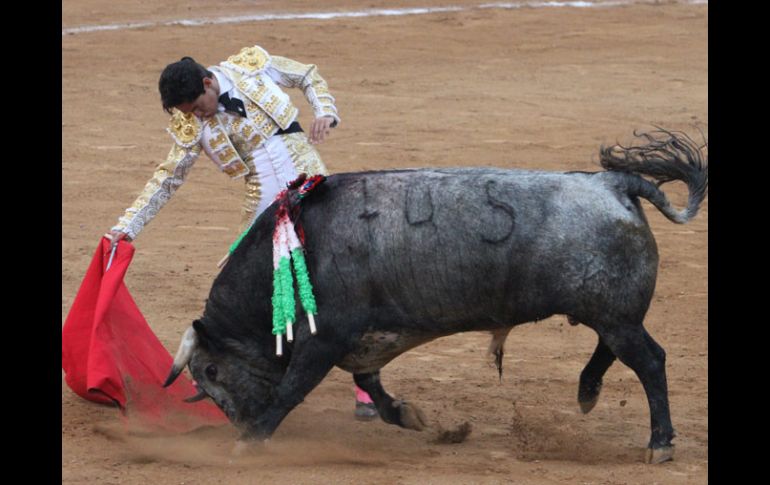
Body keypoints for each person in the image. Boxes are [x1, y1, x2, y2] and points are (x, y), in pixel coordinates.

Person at [107, 44, 378, 421]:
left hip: (313, 187)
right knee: (244, 291)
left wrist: (326, 111)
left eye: (198, 105)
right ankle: (240, 377)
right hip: (262, 205)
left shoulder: (251, 67)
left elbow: (306, 74)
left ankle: (367, 385)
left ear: (208, 82)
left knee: (343, 283)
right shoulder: (191, 122)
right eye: (190, 113)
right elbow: (168, 178)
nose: (198, 115)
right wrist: (127, 226)